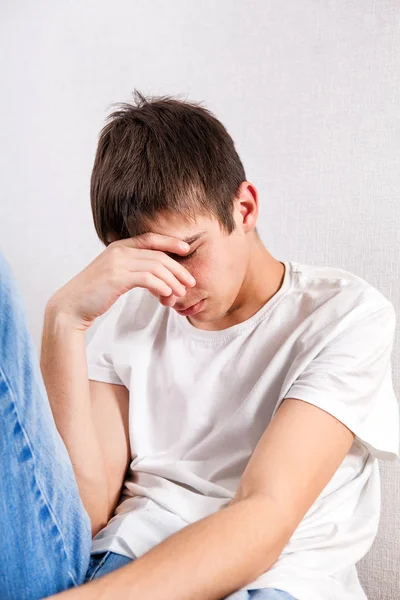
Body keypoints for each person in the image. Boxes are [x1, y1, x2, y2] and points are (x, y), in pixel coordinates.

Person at [0, 90, 398, 600]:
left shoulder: (343, 315)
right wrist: (64, 320)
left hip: (269, 581)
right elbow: (84, 513)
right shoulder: (131, 316)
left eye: (185, 253)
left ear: (245, 206)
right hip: (120, 567)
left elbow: (264, 517)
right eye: (149, 262)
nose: (173, 288)